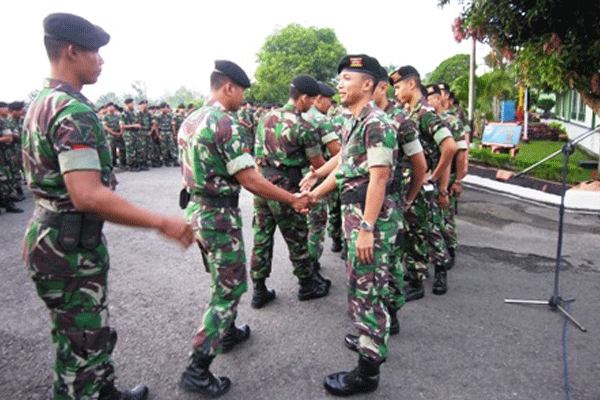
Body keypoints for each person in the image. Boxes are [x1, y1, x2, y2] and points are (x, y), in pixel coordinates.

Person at [21, 13, 194, 400]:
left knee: (79, 337)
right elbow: (88, 195)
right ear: (72, 51)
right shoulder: (72, 111)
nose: (101, 61)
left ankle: (102, 390)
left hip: (52, 238)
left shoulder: (40, 104)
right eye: (95, 52)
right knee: (82, 345)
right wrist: (161, 221)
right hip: (69, 250)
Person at [177, 60, 311, 397]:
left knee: (220, 277)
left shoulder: (190, 120)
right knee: (230, 288)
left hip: (196, 211)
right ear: (228, 87)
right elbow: (250, 179)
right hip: (218, 216)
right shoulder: (225, 123)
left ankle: (228, 331)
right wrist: (292, 199)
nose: (243, 99)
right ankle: (197, 368)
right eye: (241, 92)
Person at [309, 54, 399, 396]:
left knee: (369, 292)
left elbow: (379, 178)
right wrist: (314, 193)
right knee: (361, 287)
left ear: (368, 84)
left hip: (368, 219)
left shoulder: (377, 123)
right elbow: (343, 168)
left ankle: (367, 374)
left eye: (347, 78)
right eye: (341, 78)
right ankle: (367, 341)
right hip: (356, 216)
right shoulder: (353, 121)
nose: (340, 84)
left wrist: (366, 228)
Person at [250, 74, 330, 309]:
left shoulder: (265, 118)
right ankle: (307, 284)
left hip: (262, 185)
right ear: (303, 98)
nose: (313, 104)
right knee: (296, 237)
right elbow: (318, 163)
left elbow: (258, 155)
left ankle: (259, 289)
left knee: (261, 237)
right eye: (312, 100)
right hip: (287, 187)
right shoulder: (303, 127)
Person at [390, 67, 458, 301]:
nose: (396, 92)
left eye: (398, 86)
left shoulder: (425, 114)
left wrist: (434, 176)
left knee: (428, 230)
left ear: (411, 84)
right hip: (410, 182)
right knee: (414, 231)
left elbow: (450, 147)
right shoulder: (408, 112)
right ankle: (416, 276)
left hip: (422, 184)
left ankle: (439, 272)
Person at [302, 81, 342, 270]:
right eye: (329, 100)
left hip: (293, 178)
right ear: (318, 99)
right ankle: (311, 265)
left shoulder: (297, 115)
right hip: (316, 177)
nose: (330, 105)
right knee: (316, 224)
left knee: (300, 226)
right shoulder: (321, 120)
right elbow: (337, 152)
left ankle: (303, 264)